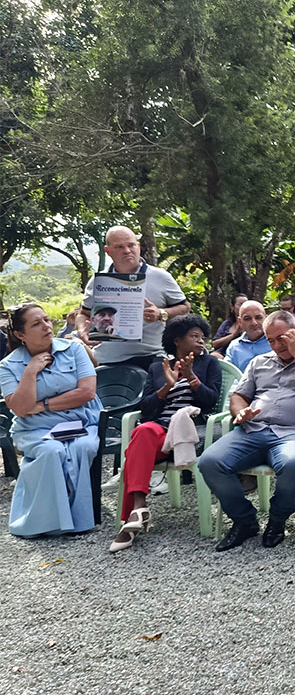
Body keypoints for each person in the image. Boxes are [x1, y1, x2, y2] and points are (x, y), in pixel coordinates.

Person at [198, 310, 295, 551]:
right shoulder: (259, 362)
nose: (275, 345)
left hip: (294, 433)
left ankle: (277, 518)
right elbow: (239, 396)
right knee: (210, 462)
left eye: (281, 338)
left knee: (294, 465)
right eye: (270, 340)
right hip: (253, 430)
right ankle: (244, 520)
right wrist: (240, 412)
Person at [109, 314, 221, 552]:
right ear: (177, 340)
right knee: (144, 430)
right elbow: (146, 407)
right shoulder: (157, 367)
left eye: (203, 337)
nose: (201, 341)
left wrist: (191, 377)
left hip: (192, 428)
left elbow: (211, 402)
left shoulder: (209, 364)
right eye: (194, 336)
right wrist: (167, 386)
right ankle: (139, 508)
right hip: (161, 429)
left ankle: (132, 515)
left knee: (137, 444)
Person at [0, 303, 101, 537]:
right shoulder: (8, 366)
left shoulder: (73, 349)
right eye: (37, 324)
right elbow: (21, 409)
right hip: (36, 428)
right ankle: (44, 523)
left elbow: (86, 392)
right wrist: (30, 372)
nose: (46, 326)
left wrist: (44, 405)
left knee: (82, 447)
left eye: (47, 320)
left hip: (81, 422)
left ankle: (80, 521)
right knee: (51, 451)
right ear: (20, 335)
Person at [77, 226, 190, 370]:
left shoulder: (160, 277)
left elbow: (185, 307)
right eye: (119, 247)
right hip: (106, 358)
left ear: (138, 246)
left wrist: (161, 314)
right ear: (108, 251)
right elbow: (83, 313)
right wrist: (82, 330)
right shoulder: (99, 281)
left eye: (131, 245)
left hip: (151, 356)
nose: (127, 251)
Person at [224, 301, 271, 372]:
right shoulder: (234, 347)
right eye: (247, 319)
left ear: (266, 319)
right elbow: (228, 374)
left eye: (258, 317)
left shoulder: (276, 342)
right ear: (240, 321)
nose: (254, 323)